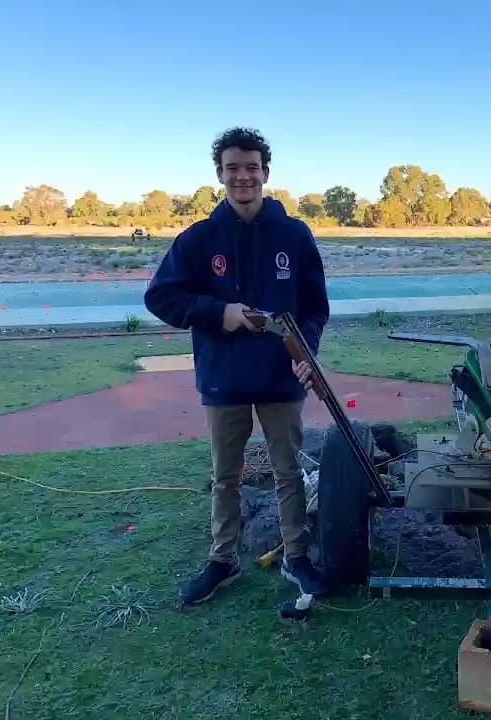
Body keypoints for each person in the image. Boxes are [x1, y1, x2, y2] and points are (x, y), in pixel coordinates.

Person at [144, 127, 330, 604]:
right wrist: (218, 314)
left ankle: (297, 556)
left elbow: (314, 306)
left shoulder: (294, 235)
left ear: (265, 172)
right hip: (224, 378)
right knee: (225, 475)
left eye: (251, 167)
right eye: (233, 168)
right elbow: (160, 296)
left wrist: (304, 351)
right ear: (220, 175)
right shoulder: (199, 239)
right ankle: (222, 560)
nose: (243, 176)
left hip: (280, 378)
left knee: (288, 471)